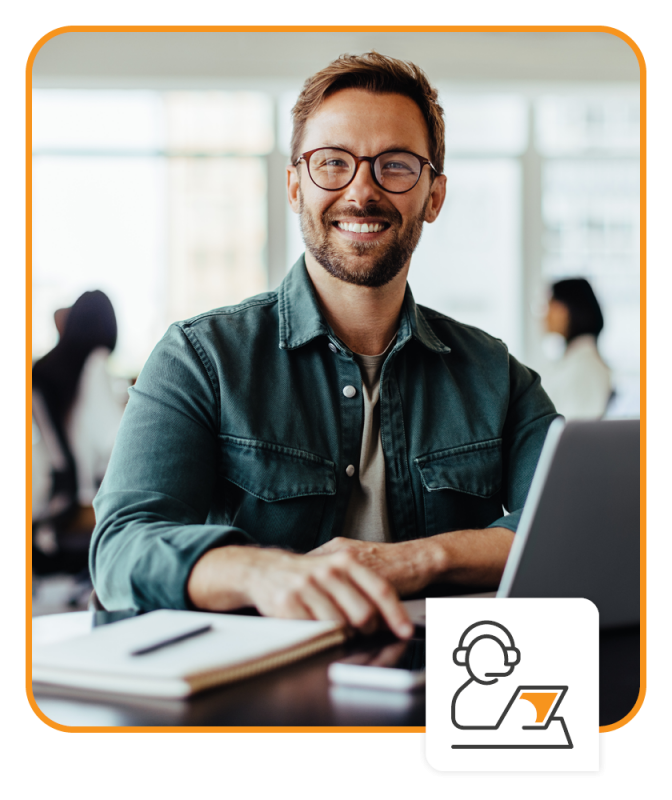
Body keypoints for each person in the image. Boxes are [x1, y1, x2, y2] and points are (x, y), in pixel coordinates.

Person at [90, 53, 558, 638]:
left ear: (433, 196)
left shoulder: (498, 377)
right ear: (294, 186)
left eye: (395, 165)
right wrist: (262, 572)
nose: (361, 191)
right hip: (254, 703)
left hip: (450, 689)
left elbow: (570, 527)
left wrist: (416, 559)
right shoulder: (201, 358)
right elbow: (122, 546)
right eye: (332, 163)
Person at [32, 290, 125, 571]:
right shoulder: (94, 363)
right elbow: (113, 439)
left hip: (50, 488)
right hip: (81, 494)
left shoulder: (46, 369)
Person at [542, 278, 612, 420]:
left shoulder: (585, 367)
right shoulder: (575, 360)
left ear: (566, 310)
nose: (545, 314)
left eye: (550, 305)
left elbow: (572, 432)